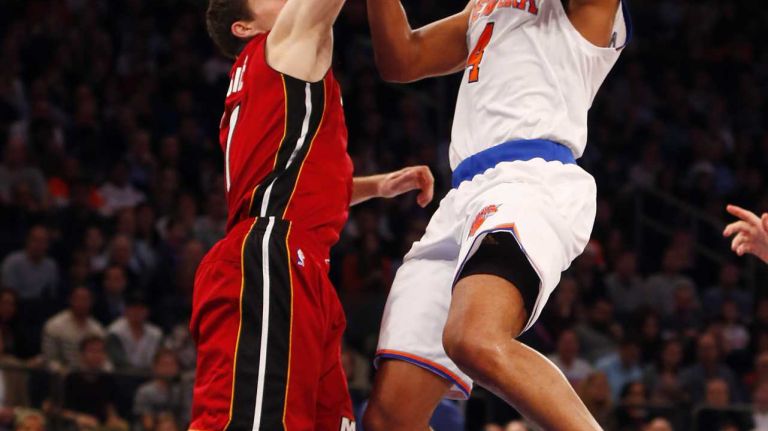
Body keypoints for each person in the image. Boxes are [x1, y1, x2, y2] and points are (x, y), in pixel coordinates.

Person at [364, 0, 631, 428]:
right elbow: (402, 58)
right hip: (459, 199)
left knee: (474, 338)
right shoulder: (484, 7)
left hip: (529, 178)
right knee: (389, 419)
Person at [191, 1, 435, 430]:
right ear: (244, 27)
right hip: (271, 256)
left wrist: (376, 186)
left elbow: (292, 179)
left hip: (294, 258)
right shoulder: (282, 43)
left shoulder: (266, 84)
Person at [41, 286, 105, 372]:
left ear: (91, 302)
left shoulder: (97, 329)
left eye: (86, 299)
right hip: (62, 375)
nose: (82, 303)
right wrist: (63, 372)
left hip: (92, 376)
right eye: (79, 299)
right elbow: (50, 359)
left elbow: (103, 358)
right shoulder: (54, 325)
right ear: (71, 300)